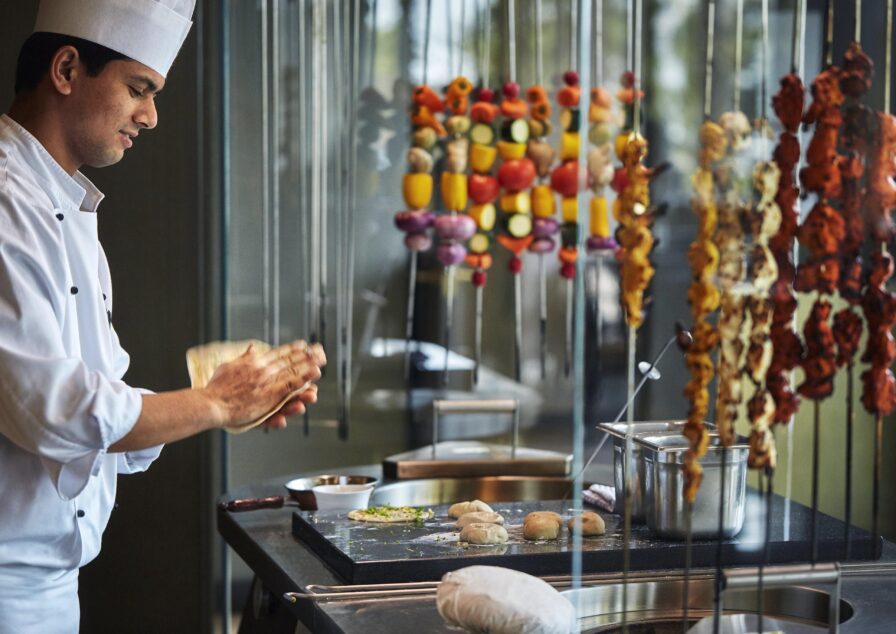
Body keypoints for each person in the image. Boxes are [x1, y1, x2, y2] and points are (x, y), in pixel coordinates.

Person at [0, 2, 325, 632]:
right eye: (138, 89)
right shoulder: (7, 203)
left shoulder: (64, 205)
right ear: (67, 69)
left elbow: (102, 412)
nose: (150, 116)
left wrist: (219, 398)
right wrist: (213, 405)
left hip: (48, 586)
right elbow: (53, 410)